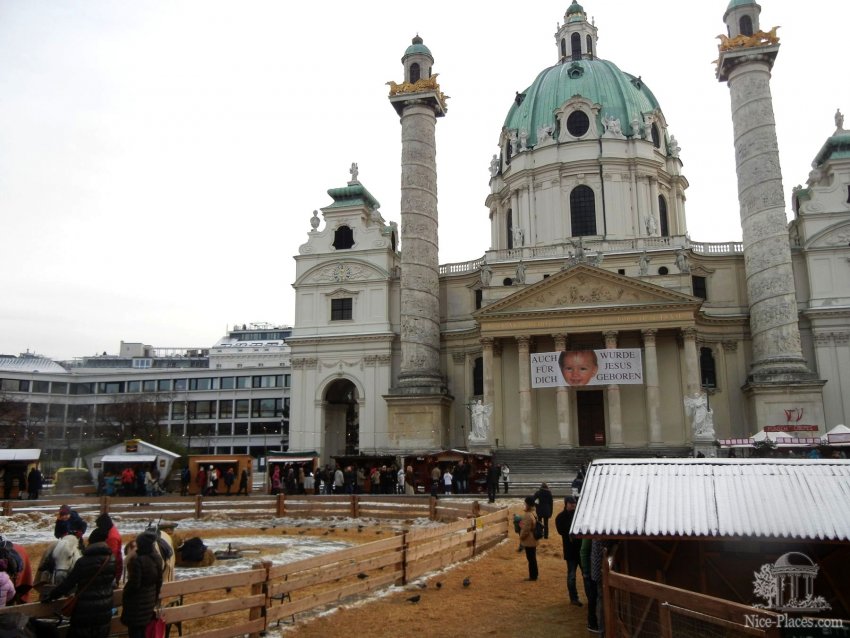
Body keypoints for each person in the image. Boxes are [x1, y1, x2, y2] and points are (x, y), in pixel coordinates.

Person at [42, 527, 116, 638]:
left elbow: (68, 583)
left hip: (85, 610)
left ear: (90, 542)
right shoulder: (111, 559)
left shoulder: (83, 562)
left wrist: (52, 596)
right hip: (105, 608)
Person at [120, 531, 163, 638]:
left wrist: (125, 593)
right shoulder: (157, 558)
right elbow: (159, 581)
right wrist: (154, 598)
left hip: (136, 607)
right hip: (149, 604)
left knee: (135, 633)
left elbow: (134, 585)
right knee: (144, 632)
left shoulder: (138, 562)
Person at [555, 496, 583, 606]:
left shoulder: (580, 515)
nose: (573, 505)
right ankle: (574, 598)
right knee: (571, 576)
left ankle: (590, 597)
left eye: (574, 503)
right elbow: (561, 531)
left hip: (581, 550)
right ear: (566, 504)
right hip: (570, 551)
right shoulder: (560, 517)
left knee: (586, 575)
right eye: (571, 504)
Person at [95, 514, 123, 586]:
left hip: (111, 570)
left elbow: (111, 556)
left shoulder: (111, 537)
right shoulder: (111, 529)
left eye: (99, 526)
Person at [580, 538, 599, 633]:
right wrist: (586, 571)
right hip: (593, 571)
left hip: (595, 570)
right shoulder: (589, 529)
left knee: (594, 596)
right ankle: (592, 622)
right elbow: (584, 551)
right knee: (593, 596)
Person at [519, 496, 539, 581]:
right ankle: (535, 574)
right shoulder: (534, 513)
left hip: (529, 539)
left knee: (531, 558)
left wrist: (521, 536)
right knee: (533, 557)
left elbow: (526, 529)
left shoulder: (527, 515)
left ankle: (533, 576)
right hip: (533, 538)